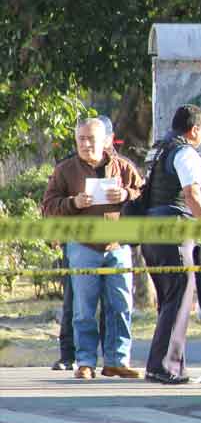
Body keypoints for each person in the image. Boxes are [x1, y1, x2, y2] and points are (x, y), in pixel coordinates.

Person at [41, 117, 145, 380]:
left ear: (106, 141)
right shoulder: (64, 170)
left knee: (121, 305)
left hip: (118, 246)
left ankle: (117, 361)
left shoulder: (123, 167)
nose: (86, 144)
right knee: (84, 308)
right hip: (82, 246)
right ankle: (84, 361)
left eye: (92, 139)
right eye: (81, 139)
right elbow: (49, 205)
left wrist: (126, 195)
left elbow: (143, 192)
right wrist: (73, 202)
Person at [143, 104, 201, 384]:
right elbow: (192, 193)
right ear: (194, 129)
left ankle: (165, 365)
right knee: (180, 298)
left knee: (169, 300)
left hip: (150, 231)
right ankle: (165, 367)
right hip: (174, 230)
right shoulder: (186, 153)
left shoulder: (157, 150)